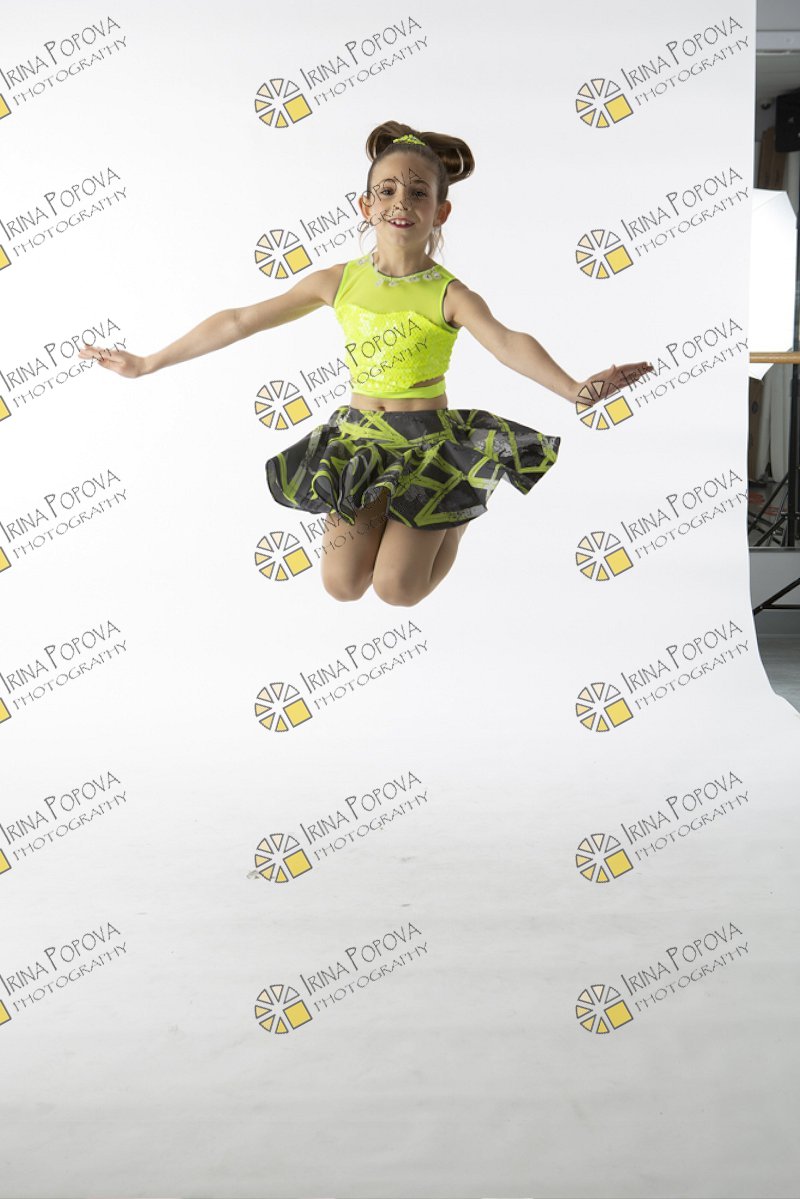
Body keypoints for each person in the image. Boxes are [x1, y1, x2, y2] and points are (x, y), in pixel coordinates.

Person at [78, 120, 654, 608]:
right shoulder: (338, 281)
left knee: (398, 589)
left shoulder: (450, 293)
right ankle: (415, 517)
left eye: (419, 192)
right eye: (387, 190)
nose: (402, 202)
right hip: (359, 443)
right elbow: (239, 320)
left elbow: (507, 342)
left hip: (428, 445)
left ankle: (456, 508)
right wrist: (148, 362)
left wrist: (574, 388)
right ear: (366, 205)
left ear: (441, 211)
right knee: (342, 583)